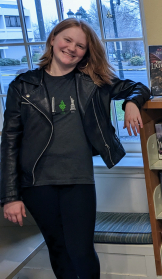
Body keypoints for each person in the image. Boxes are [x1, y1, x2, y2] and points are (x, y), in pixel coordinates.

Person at [0, 18, 151, 279]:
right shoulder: (23, 86)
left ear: (86, 52)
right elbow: (10, 143)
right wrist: (10, 196)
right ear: (52, 40)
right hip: (36, 184)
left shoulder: (93, 82)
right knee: (58, 250)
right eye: (67, 40)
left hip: (78, 180)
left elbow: (138, 87)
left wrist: (131, 103)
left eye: (80, 45)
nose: (72, 48)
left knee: (80, 251)